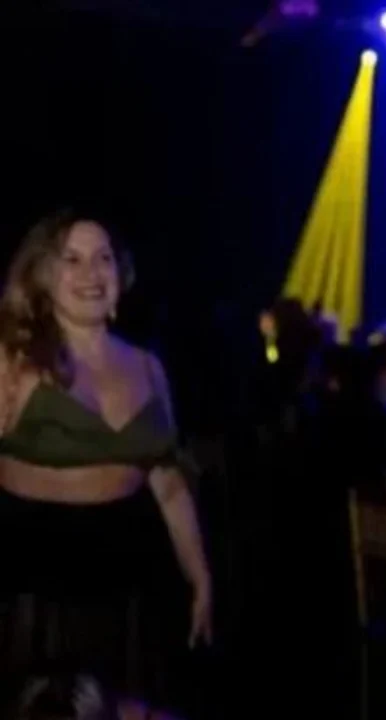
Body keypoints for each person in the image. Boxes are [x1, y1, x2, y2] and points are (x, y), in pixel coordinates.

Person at [0, 211, 212, 703]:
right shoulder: (12, 358)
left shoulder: (149, 367)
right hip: (30, 588)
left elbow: (170, 486)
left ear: (122, 273)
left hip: (127, 589)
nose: (91, 273)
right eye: (71, 259)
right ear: (44, 274)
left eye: (104, 259)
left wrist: (199, 575)